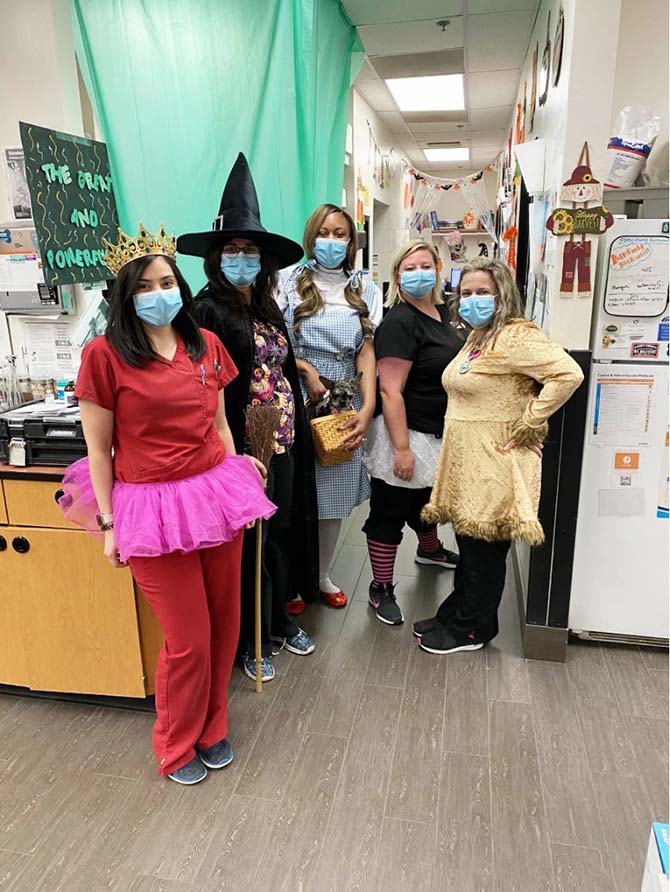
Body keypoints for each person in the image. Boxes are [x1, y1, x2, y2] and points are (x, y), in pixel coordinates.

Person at [59, 223, 275, 784]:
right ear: (126, 296)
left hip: (214, 497)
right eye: (146, 286)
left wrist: (236, 468)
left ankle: (213, 725)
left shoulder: (205, 346)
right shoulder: (104, 357)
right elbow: (99, 450)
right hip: (149, 508)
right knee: (187, 639)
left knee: (225, 625)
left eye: (167, 281)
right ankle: (176, 744)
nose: (161, 293)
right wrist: (108, 524)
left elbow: (221, 421)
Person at [177, 153, 318, 684]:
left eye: (250, 252)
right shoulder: (207, 310)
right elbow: (204, 386)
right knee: (247, 543)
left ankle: (278, 618)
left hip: (278, 440)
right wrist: (229, 451)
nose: (242, 259)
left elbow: (272, 363)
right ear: (216, 259)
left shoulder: (266, 305)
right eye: (232, 251)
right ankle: (249, 639)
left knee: (278, 531)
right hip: (237, 446)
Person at [415, 258, 584, 654]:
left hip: (495, 460)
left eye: (483, 293)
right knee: (469, 544)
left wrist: (530, 421)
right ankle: (456, 611)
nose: (473, 300)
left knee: (484, 553)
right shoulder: (479, 335)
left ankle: (473, 629)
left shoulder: (514, 336)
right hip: (467, 460)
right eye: (467, 293)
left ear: (502, 295)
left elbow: (568, 374)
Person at [276, 204, 383, 608]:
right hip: (296, 391)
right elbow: (277, 340)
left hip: (344, 397)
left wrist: (367, 407)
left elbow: (367, 352)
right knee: (292, 488)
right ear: (311, 236)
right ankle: (289, 580)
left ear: (351, 241)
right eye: (324, 232)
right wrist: (304, 369)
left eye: (341, 234)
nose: (332, 241)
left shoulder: (365, 287)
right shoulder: (286, 280)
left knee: (334, 489)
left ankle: (320, 576)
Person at [362, 240, 463, 626]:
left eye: (426, 265)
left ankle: (430, 549)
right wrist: (402, 449)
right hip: (405, 432)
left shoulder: (442, 312)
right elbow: (390, 390)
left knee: (426, 497)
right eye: (409, 267)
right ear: (397, 276)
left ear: (438, 268)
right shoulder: (400, 322)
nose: (419, 272)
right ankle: (380, 587)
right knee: (390, 508)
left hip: (438, 431)